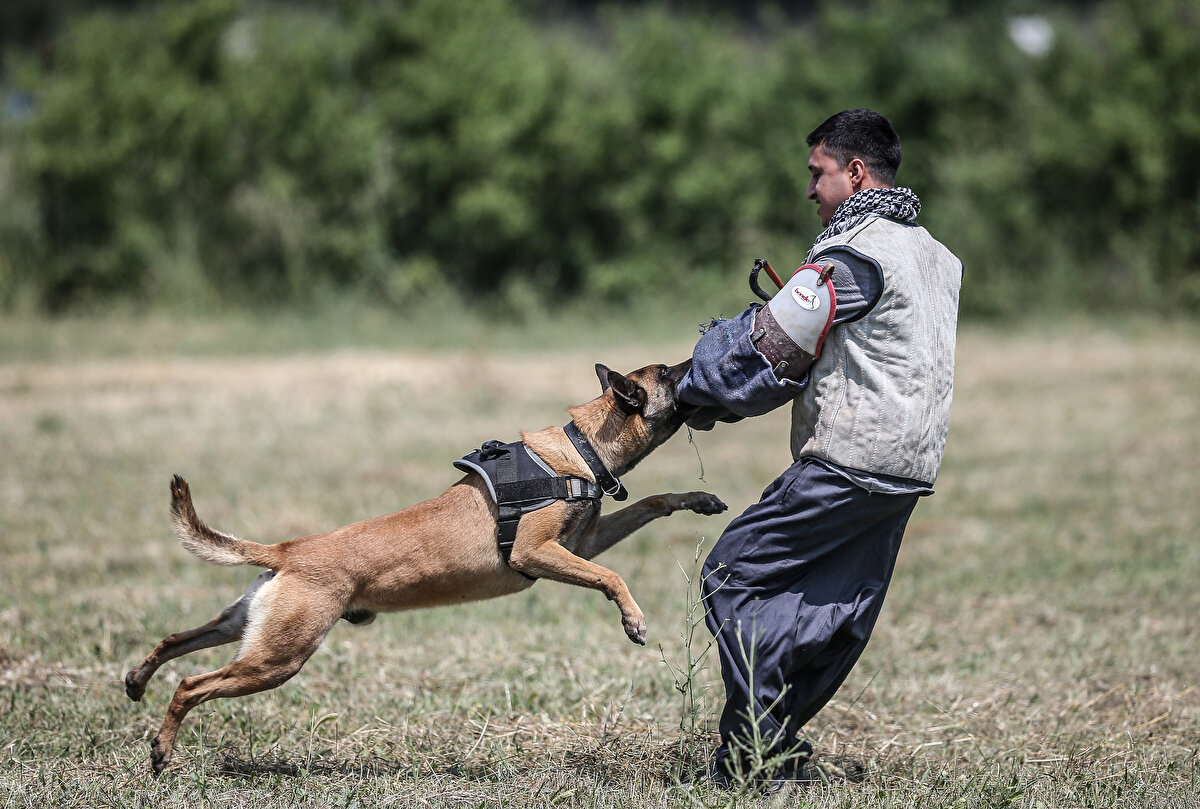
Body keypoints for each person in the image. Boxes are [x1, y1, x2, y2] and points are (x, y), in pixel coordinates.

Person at [676, 108, 963, 786]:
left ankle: (755, 752)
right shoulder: (936, 256)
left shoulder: (853, 254)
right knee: (832, 607)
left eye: (818, 173)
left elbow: (766, 350)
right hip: (910, 467)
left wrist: (690, 389)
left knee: (733, 573)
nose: (810, 190)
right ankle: (771, 749)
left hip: (848, 459)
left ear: (854, 172)